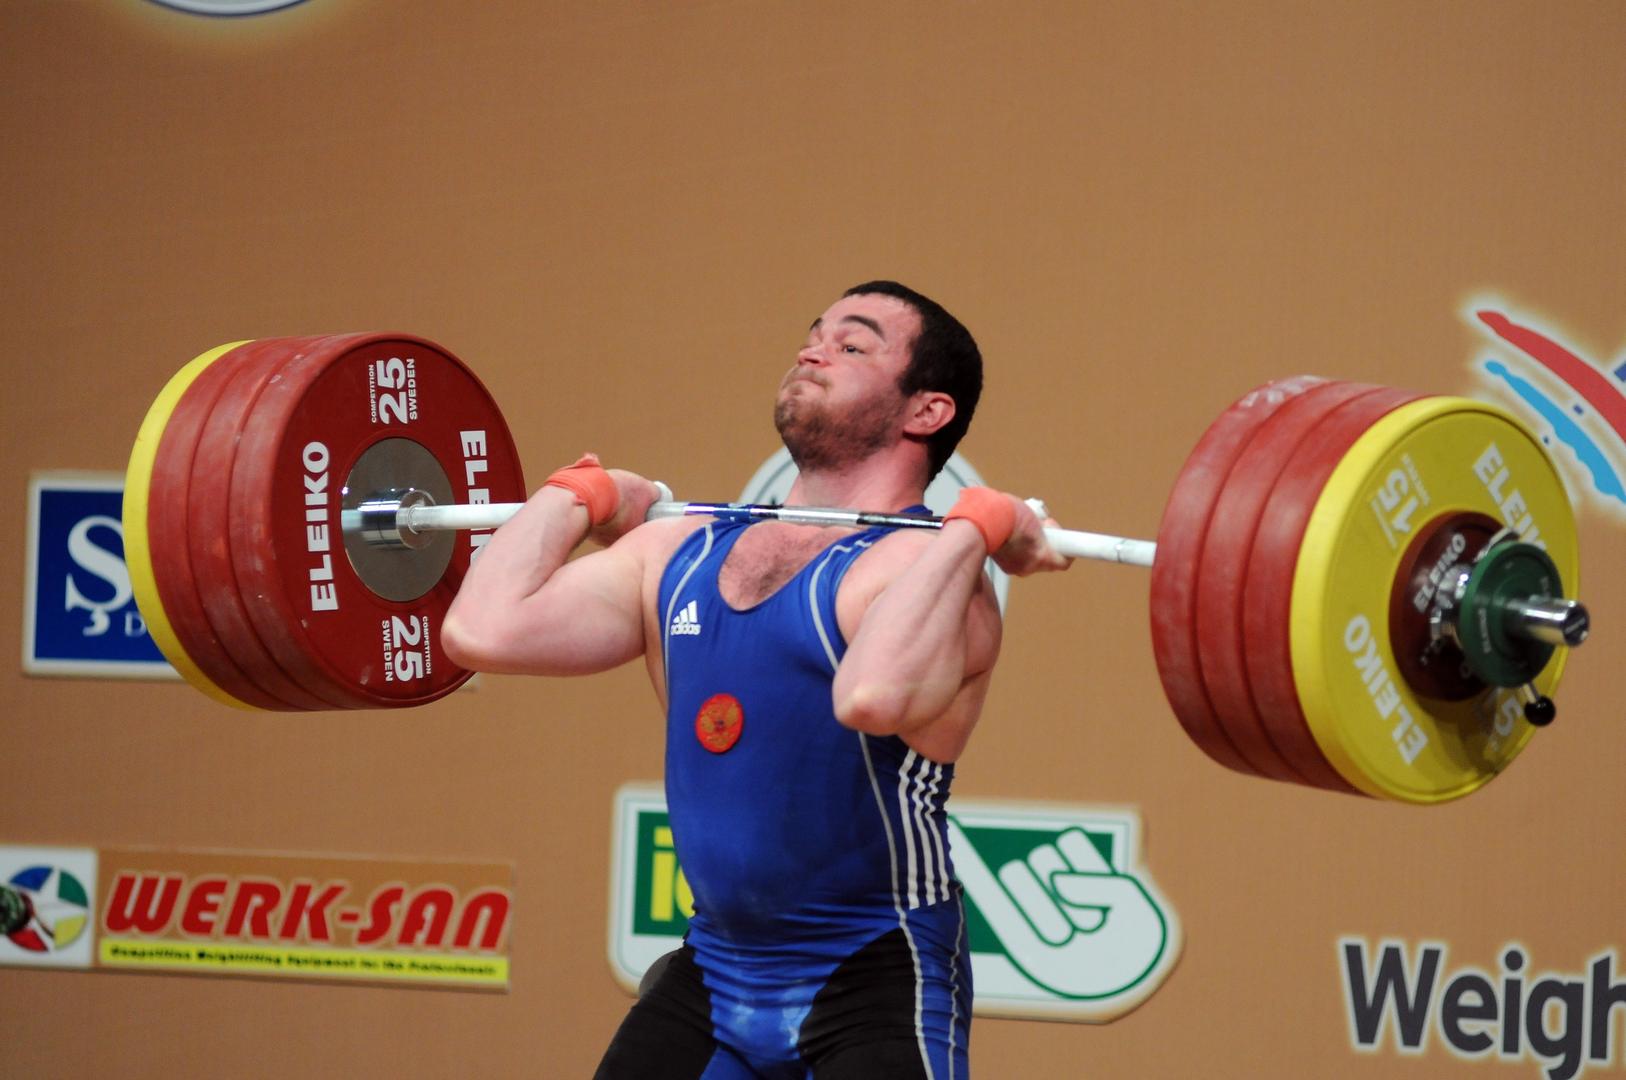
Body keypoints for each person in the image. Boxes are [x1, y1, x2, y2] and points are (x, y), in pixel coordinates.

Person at [442, 281, 1072, 1079]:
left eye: (852, 345)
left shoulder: (926, 570)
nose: (813, 351)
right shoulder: (681, 551)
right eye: (814, 335)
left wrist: (973, 529)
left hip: (875, 976)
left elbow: (871, 697)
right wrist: (582, 492)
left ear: (926, 411)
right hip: (714, 973)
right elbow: (480, 630)